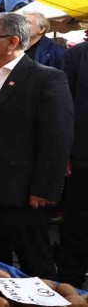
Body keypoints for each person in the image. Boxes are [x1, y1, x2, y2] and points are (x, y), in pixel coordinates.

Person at [0, 12, 72, 279]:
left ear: (12, 42)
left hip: (21, 192)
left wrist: (44, 189)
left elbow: (57, 138)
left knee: (34, 263)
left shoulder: (46, 79)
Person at [55, 40, 88, 286]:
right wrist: (64, 152)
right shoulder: (76, 56)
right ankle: (71, 285)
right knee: (78, 223)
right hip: (82, 156)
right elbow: (64, 109)